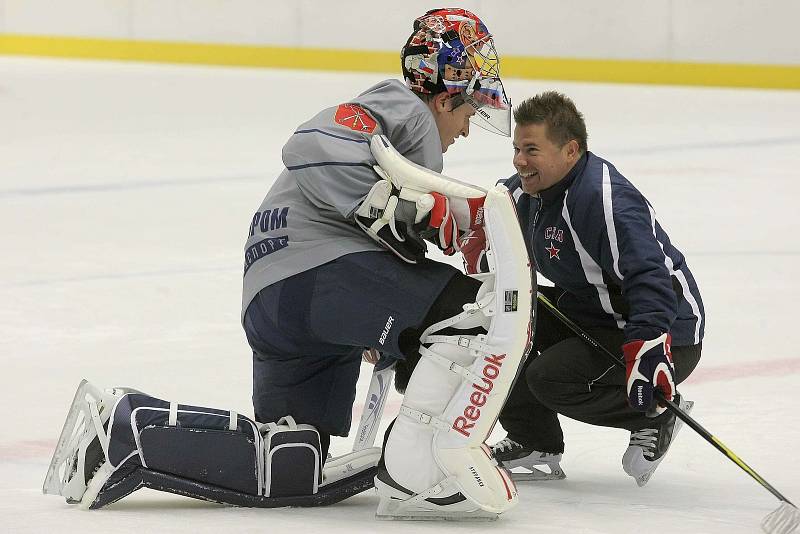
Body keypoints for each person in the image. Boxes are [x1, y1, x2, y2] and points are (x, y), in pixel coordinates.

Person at [43, 9, 532, 517]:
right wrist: (418, 210)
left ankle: (125, 432)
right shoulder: (404, 109)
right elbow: (311, 145)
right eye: (468, 113)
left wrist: (389, 300)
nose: (466, 131)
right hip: (319, 276)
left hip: (275, 297)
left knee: (288, 464)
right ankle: (422, 469)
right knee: (470, 313)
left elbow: (370, 216)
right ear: (446, 94)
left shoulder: (396, 139)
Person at [486, 92, 704, 486]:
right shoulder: (525, 191)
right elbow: (485, 208)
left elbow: (650, 278)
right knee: (501, 319)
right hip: (593, 311)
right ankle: (535, 441)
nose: (519, 160)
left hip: (663, 332)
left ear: (570, 150)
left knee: (549, 378)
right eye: (517, 148)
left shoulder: (604, 202)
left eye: (532, 149)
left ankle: (654, 412)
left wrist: (649, 345)